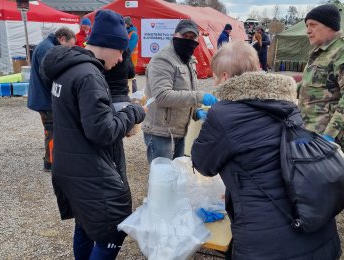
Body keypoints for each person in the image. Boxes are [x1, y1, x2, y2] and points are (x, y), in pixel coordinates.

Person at [191, 41, 341, 259]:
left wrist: (210, 127)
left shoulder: (223, 113)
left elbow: (203, 164)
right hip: (319, 230)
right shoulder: (287, 102)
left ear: (224, 77)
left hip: (267, 245)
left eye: (214, 77)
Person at [41, 10, 145, 259]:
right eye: (121, 51)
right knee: (113, 229)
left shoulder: (68, 68)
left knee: (86, 225)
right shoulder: (89, 75)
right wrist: (133, 113)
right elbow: (102, 131)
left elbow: (83, 119)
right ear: (109, 45)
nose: (121, 59)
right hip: (90, 170)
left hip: (69, 163)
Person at [298, 4, 344, 165]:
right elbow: (309, 85)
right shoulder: (320, 50)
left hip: (334, 138)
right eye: (307, 26)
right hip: (312, 131)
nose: (308, 30)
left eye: (313, 25)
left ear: (330, 26)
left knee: (335, 183)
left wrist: (330, 134)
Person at [142, 19, 218, 164]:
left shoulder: (189, 60)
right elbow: (163, 96)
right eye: (185, 36)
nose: (188, 41)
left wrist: (195, 112)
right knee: (162, 180)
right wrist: (199, 96)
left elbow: (185, 92)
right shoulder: (163, 60)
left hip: (179, 131)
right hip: (160, 132)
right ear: (175, 35)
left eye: (192, 37)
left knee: (176, 176)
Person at [27, 27, 76, 172]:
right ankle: (50, 163)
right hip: (45, 99)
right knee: (52, 130)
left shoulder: (47, 46)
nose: (69, 50)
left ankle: (52, 160)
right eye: (68, 47)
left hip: (44, 97)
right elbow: (48, 76)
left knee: (52, 130)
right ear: (61, 38)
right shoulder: (47, 49)